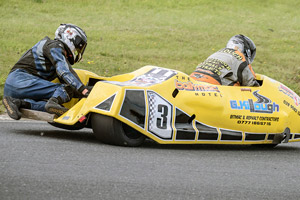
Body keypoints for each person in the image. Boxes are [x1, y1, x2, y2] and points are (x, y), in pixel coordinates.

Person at [2, 23, 90, 120]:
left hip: (12, 86)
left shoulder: (53, 51)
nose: (77, 51)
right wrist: (84, 90)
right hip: (20, 80)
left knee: (48, 106)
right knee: (66, 90)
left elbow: (68, 79)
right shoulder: (54, 46)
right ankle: (53, 102)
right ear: (70, 39)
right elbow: (65, 72)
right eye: (78, 47)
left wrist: (87, 93)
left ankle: (16, 102)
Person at [190, 34, 259, 87]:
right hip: (212, 87)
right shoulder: (241, 58)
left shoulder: (217, 53)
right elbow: (250, 83)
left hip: (192, 81)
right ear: (246, 51)